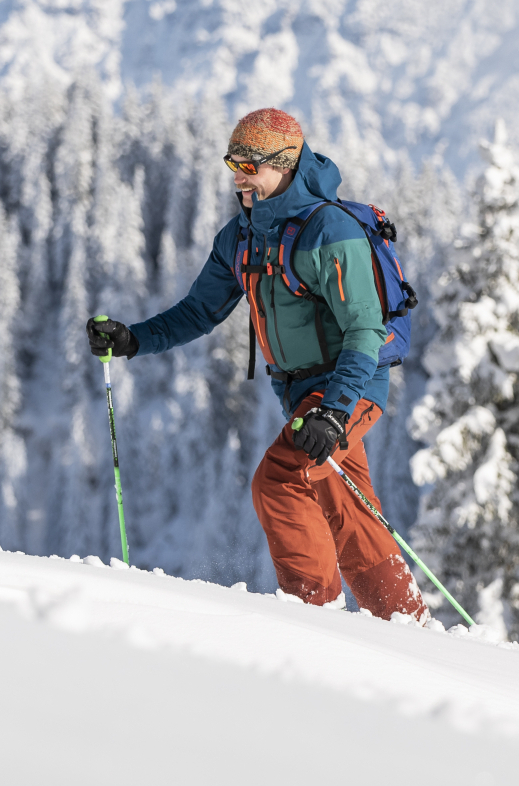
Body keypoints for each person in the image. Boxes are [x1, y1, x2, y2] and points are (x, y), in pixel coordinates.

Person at [83, 108, 428, 622]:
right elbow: (199, 311)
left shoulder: (329, 231)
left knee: (281, 480)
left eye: (250, 163)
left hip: (348, 385)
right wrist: (135, 340)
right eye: (233, 161)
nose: (239, 173)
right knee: (346, 505)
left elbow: (364, 329)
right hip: (300, 394)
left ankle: (316, 618)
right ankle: (406, 623)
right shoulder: (241, 237)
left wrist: (333, 413)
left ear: (285, 164)